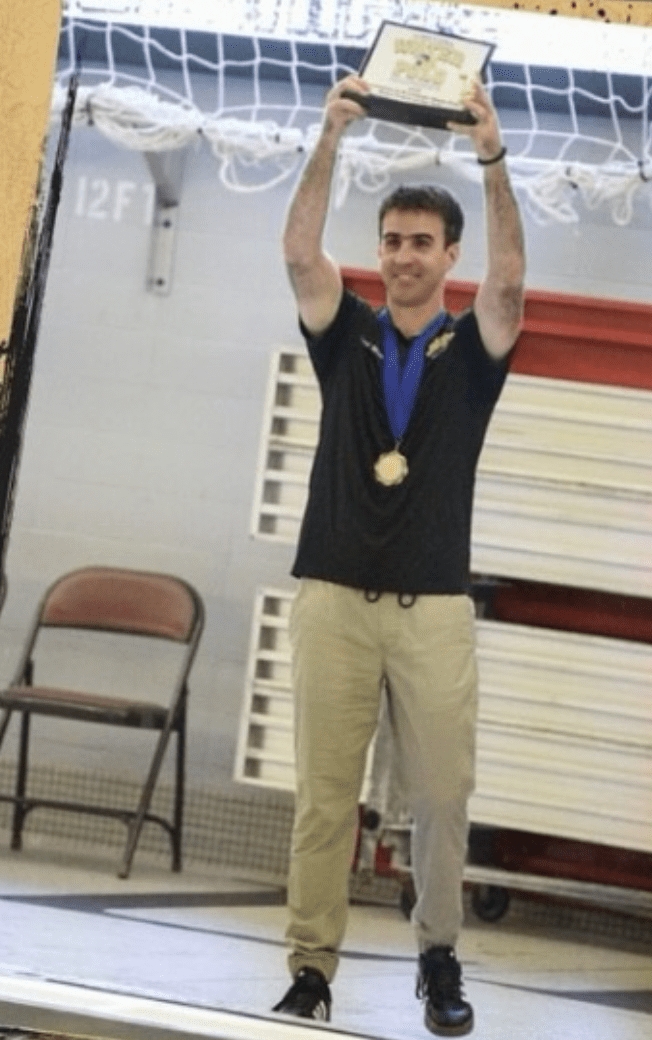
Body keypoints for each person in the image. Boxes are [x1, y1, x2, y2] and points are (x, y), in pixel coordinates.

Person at [272, 72, 524, 1037]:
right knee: (325, 801)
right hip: (334, 599)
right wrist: (331, 134)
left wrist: (492, 155)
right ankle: (310, 969)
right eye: (392, 241)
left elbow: (511, 283)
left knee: (442, 799)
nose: (404, 256)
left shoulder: (474, 349)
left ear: (448, 254)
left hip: (434, 610)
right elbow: (299, 252)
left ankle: (439, 958)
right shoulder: (347, 335)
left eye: (422, 243)